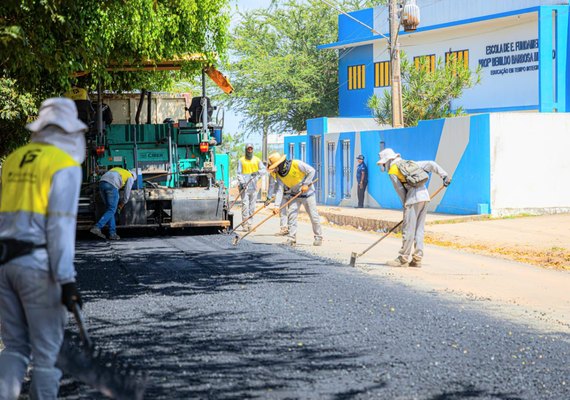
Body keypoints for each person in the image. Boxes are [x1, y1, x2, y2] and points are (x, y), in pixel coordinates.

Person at [0, 98, 85, 399]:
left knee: (15, 347)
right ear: (69, 131)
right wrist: (66, 280)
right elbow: (59, 227)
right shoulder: (64, 165)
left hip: (4, 264)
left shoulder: (13, 159)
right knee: (48, 356)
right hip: (37, 266)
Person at [377, 148, 451, 268]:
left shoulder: (393, 170)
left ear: (388, 161)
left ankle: (403, 258)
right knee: (419, 230)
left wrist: (406, 205)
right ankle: (417, 259)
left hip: (412, 199)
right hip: (425, 197)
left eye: (384, 164)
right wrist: (444, 176)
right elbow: (431, 164)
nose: (384, 166)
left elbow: (400, 190)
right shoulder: (409, 163)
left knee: (408, 230)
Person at [267, 152, 323, 246]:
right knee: (291, 216)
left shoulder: (296, 164)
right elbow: (279, 191)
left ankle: (318, 237)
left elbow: (311, 170)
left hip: (308, 194)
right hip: (294, 195)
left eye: (275, 167)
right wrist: (276, 206)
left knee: (314, 217)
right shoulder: (279, 175)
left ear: (280, 164)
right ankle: (291, 238)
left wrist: (306, 184)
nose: (274, 169)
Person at [90, 167, 136, 240]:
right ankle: (97, 227)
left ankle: (112, 234)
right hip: (112, 185)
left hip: (102, 183)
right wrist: (123, 203)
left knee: (110, 210)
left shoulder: (118, 169)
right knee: (111, 210)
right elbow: (127, 193)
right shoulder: (130, 176)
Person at [236, 144, 266, 231]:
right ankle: (245, 224)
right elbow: (239, 173)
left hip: (253, 186)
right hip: (244, 187)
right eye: (248, 149)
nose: (250, 150)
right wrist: (242, 183)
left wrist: (257, 172)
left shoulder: (257, 160)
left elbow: (264, 170)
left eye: (251, 149)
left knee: (252, 206)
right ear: (246, 150)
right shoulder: (241, 160)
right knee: (245, 205)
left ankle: (250, 224)